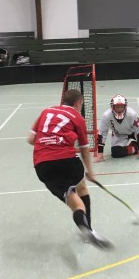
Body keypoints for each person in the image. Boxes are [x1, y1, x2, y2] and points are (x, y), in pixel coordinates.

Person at [27, 88, 111, 249]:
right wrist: (90, 172)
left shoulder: (46, 111)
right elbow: (85, 150)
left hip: (42, 165)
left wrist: (48, 142)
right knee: (82, 190)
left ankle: (85, 229)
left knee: (75, 203)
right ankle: (88, 229)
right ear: (78, 103)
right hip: (66, 161)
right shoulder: (77, 117)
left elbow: (31, 139)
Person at [97, 94, 139, 159]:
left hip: (134, 131)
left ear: (125, 106)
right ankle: (135, 147)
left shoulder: (132, 114)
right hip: (120, 133)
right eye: (117, 107)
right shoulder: (106, 116)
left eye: (121, 107)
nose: (119, 110)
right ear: (112, 107)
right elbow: (102, 133)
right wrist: (100, 153)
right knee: (116, 153)